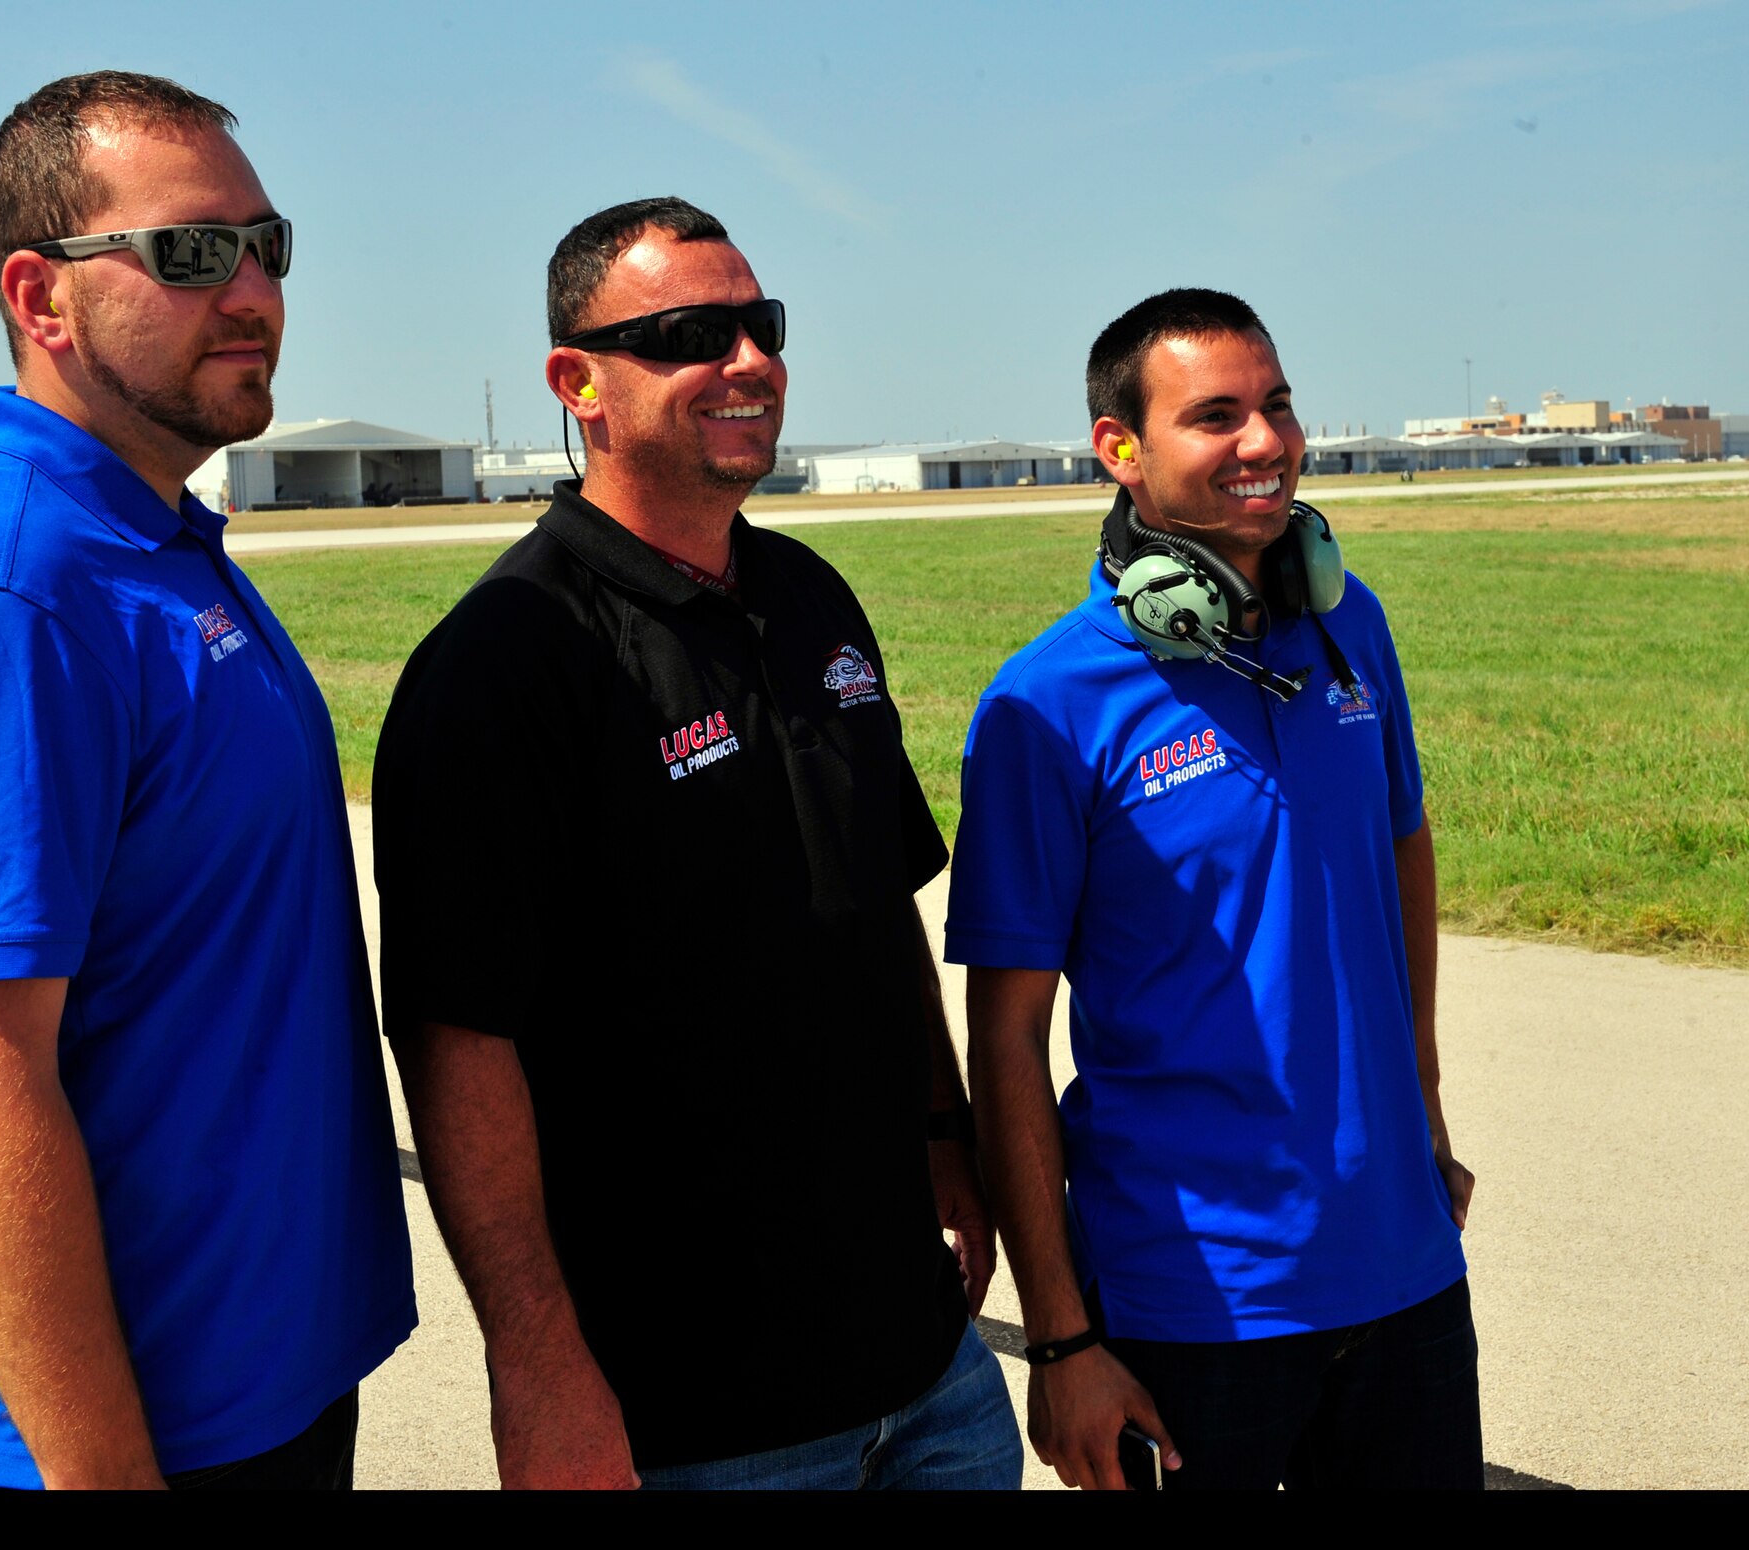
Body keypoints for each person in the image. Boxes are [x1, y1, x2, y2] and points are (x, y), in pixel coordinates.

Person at [372, 197, 1022, 1492]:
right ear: (579, 384)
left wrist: (947, 1129)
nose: (746, 361)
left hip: (929, 1372)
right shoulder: (507, 660)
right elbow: (457, 1036)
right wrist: (536, 1363)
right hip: (697, 1420)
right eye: (689, 333)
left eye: (759, 326)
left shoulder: (808, 596)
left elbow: (877, 899)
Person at [0, 71, 415, 1490]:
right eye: (191, 252)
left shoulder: (154, 540)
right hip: (115, 1440)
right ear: (41, 298)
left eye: (267, 245)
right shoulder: (8, 586)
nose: (253, 290)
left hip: (264, 1391)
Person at [946, 288, 1480, 1491]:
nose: (1264, 443)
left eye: (1276, 405)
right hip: (1191, 1308)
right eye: (1217, 416)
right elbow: (1009, 1042)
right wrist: (1064, 1339)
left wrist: (1425, 1099)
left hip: (1404, 1272)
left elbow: (1401, 842)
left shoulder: (1352, 630)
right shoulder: (1048, 704)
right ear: (1119, 451)